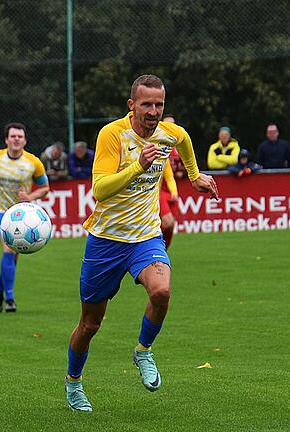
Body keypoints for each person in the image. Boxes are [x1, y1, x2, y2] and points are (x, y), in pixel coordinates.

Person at [64, 74, 219, 413]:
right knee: (90, 324)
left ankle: (143, 351)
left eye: (159, 104)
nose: (153, 111)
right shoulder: (112, 135)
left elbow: (185, 140)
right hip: (105, 240)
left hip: (145, 236)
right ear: (131, 105)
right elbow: (100, 190)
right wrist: (138, 165)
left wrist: (195, 177)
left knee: (161, 292)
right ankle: (73, 383)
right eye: (146, 104)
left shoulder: (170, 133)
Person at [0, 123, 50, 313]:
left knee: (14, 254)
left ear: (25, 140)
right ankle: (10, 298)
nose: (16, 139)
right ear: (6, 139)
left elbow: (45, 187)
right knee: (9, 246)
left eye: (20, 136)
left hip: (22, 213)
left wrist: (30, 197)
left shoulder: (33, 162)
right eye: (13, 136)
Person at [159, 115, 179, 250]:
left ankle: (163, 251)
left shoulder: (177, 145)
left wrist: (174, 191)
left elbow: (169, 174)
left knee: (170, 225)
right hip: (158, 192)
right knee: (168, 222)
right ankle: (151, 246)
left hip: (170, 191)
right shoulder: (157, 144)